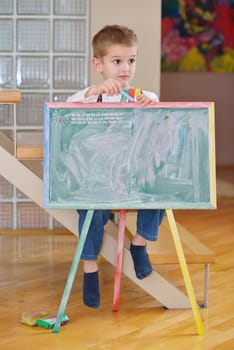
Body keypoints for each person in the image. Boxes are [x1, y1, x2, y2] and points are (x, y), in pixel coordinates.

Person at [67, 25, 165, 308]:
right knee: (89, 209)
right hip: (97, 178)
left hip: (131, 175)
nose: (125, 67)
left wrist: (151, 106)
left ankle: (140, 243)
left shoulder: (145, 95)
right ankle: (90, 268)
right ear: (98, 64)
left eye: (131, 60)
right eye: (117, 61)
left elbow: (161, 127)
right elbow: (66, 111)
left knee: (157, 188)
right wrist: (92, 92)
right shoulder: (89, 95)